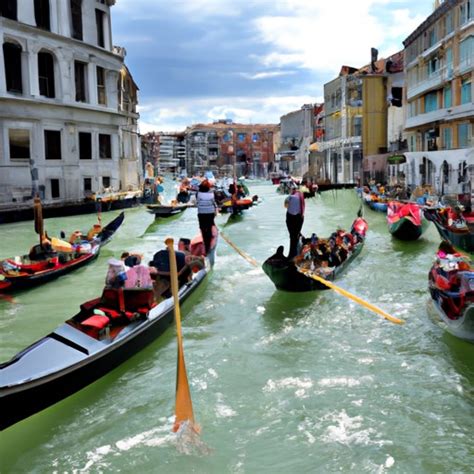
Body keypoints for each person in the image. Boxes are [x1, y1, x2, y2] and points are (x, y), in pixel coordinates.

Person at [196, 180, 218, 255]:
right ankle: (209, 246)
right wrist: (216, 210)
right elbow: (214, 202)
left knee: (202, 228)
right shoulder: (211, 193)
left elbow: (197, 202)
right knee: (209, 228)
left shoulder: (198, 193)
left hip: (201, 212)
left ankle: (205, 243)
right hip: (210, 212)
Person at [284, 187, 305, 258]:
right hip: (298, 217)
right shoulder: (300, 196)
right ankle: (294, 254)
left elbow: (285, 206)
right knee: (295, 236)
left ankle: (292, 255)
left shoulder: (290, 197)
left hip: (291, 218)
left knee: (293, 237)